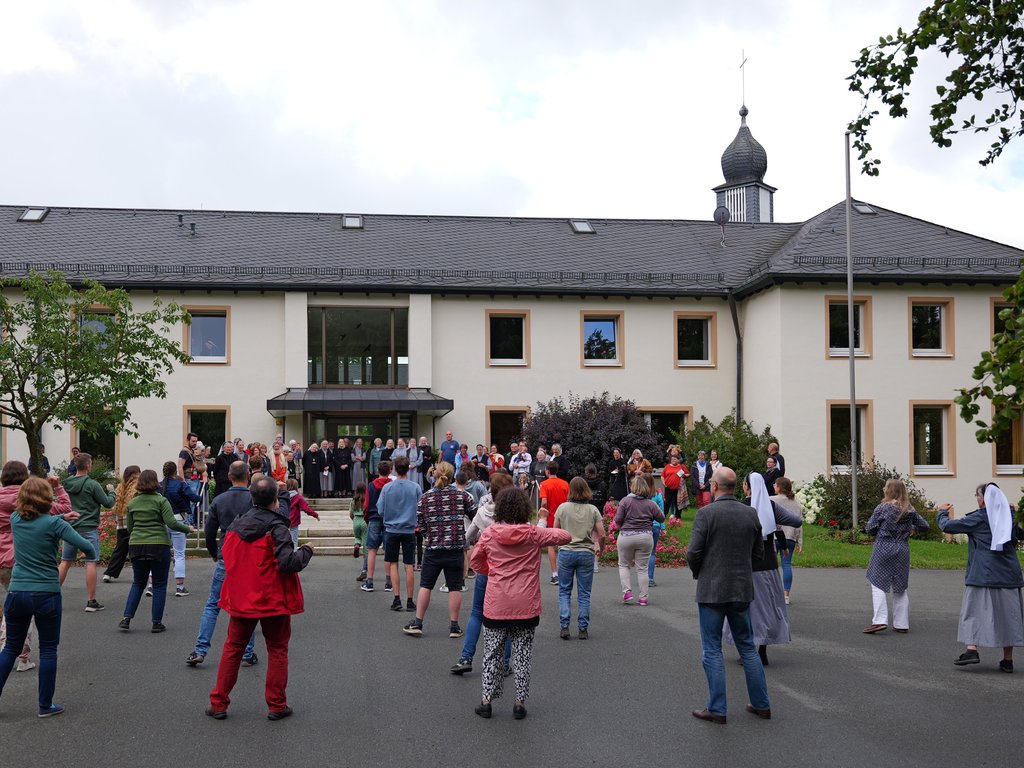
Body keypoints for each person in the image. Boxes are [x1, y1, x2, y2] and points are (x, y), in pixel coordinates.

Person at [207, 477, 315, 721]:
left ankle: (218, 702)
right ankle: (276, 704)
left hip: (242, 597)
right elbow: (288, 563)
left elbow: (226, 554)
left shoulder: (235, 526)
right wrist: (307, 550)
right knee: (277, 650)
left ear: (252, 498)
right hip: (272, 598)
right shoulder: (277, 528)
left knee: (233, 648)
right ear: (276, 500)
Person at [469, 487, 571, 720]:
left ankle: (486, 701)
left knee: (491, 653)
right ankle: (519, 703)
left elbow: (475, 561)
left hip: (497, 603)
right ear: (525, 509)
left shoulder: (490, 533)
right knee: (522, 654)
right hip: (526, 604)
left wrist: (492, 571)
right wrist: (542, 522)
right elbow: (565, 536)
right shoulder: (533, 534)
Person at [0, 476, 96, 718]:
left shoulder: (15, 519)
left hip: (17, 591)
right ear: (46, 499)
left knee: (10, 647)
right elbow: (88, 547)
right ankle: (45, 705)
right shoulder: (54, 524)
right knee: (49, 649)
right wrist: (65, 523)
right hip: (46, 593)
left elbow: (37, 522)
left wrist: (61, 519)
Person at [687, 467, 771, 724]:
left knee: (712, 648)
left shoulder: (706, 514)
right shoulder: (750, 514)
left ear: (714, 486)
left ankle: (717, 708)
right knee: (747, 646)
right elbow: (758, 553)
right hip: (741, 588)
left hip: (712, 589)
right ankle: (762, 704)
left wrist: (699, 572)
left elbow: (693, 552)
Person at [939, 483, 1024, 671]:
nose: (977, 499)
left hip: (982, 573)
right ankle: (1008, 660)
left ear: (983, 499)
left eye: (977, 496)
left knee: (973, 611)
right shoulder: (1008, 516)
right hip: (1009, 574)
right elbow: (1020, 535)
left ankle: (971, 649)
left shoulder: (978, 518)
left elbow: (948, 526)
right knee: (1008, 616)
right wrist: (1015, 514)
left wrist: (941, 512)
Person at [1, 462, 74, 674]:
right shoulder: (31, 499)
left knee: (11, 606)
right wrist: (58, 487)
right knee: (23, 608)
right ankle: (21, 656)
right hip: (21, 560)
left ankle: (9, 649)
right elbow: (66, 508)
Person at [723, 473, 802, 665]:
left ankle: (747, 650)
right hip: (768, 565)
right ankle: (762, 651)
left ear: (746, 487)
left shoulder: (740, 507)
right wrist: (772, 523)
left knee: (744, 608)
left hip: (745, 565)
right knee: (767, 608)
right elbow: (796, 521)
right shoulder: (771, 507)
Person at [187, 461, 258, 668]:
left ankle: (200, 649)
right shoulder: (254, 499)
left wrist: (214, 552)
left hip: (226, 553)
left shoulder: (219, 500)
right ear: (248, 476)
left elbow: (209, 532)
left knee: (213, 603)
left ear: (229, 476)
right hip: (248, 555)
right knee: (247, 604)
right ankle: (247, 652)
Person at [452, 472, 515, 675]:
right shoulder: (514, 515)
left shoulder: (482, 512)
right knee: (507, 617)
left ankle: (466, 657)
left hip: (487, 568)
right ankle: (504, 662)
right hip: (508, 571)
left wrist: (481, 536)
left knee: (477, 612)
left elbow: (468, 536)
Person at [403, 462, 472, 638]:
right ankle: (454, 627)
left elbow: (420, 523)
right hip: (455, 548)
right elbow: (475, 515)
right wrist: (465, 535)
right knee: (455, 587)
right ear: (452, 475)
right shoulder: (462, 495)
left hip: (433, 549)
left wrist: (430, 535)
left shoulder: (426, 497)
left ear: (434, 474)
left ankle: (418, 622)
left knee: (426, 585)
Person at [120, 469, 194, 632]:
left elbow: (130, 528)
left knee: (138, 583)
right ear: (155, 482)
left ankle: (126, 618)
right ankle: (156, 622)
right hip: (159, 545)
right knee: (159, 584)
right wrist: (187, 528)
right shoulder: (161, 501)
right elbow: (171, 523)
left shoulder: (132, 503)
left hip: (137, 545)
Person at [862, 479, 930, 634]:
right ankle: (901, 623)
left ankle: (879, 620)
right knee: (900, 586)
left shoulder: (882, 507)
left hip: (883, 547)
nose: (883, 489)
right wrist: (912, 528)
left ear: (889, 491)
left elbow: (870, 528)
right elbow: (925, 525)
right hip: (902, 549)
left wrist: (880, 530)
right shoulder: (909, 509)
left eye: (885, 487)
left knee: (877, 582)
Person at [58, 452, 116, 612]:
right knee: (91, 562)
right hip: (88, 528)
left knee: (65, 562)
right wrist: (112, 491)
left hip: (70, 527)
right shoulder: (92, 485)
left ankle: (50, 596)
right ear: (88, 466)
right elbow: (108, 503)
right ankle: (91, 601)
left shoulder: (65, 484)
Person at [554, 477, 604, 640]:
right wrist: (598, 546)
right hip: (586, 552)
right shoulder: (593, 509)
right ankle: (583, 628)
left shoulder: (562, 508)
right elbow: (601, 533)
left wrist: (559, 545)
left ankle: (564, 626)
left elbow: (555, 531)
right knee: (584, 593)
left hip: (566, 551)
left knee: (564, 590)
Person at [379, 456, 422, 613]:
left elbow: (380, 510)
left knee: (393, 564)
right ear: (408, 468)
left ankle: (396, 599)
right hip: (409, 529)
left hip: (392, 529)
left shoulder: (387, 488)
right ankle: (410, 601)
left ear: (395, 469)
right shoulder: (415, 487)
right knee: (409, 565)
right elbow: (421, 508)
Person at [613, 475, 664, 606]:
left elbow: (618, 520)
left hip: (626, 536)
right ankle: (643, 598)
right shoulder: (650, 503)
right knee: (642, 568)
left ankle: (627, 592)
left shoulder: (625, 501)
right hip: (645, 537)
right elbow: (661, 518)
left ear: (633, 487)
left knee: (624, 565)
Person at [159, 461, 202, 597]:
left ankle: (151, 586)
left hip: (162, 522)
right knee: (179, 554)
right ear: (175, 472)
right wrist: (200, 495)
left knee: (158, 554)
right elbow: (193, 497)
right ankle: (180, 587)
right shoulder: (180, 484)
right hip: (178, 520)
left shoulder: (159, 486)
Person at [102, 465, 141, 583]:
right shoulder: (137, 487)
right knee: (136, 551)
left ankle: (109, 573)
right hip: (133, 524)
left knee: (120, 550)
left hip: (121, 523)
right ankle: (139, 575)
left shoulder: (120, 487)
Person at [771, 477, 804, 605]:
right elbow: (799, 523)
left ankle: (772, 594)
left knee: (771, 567)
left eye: (775, 485)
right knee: (787, 565)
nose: (773, 486)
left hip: (774, 537)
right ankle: (786, 595)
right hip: (790, 537)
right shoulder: (796, 503)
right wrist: (800, 541)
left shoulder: (771, 500)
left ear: (779, 487)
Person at [360, 460, 392, 592]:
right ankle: (389, 582)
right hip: (388, 519)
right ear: (390, 471)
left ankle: (370, 581)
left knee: (372, 550)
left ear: (378, 471)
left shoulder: (371, 485)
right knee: (388, 551)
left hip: (374, 518)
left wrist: (366, 518)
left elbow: (366, 505)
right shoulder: (392, 485)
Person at [539, 463, 570, 585]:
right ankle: (565, 572)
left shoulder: (544, 484)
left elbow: (544, 502)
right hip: (564, 516)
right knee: (564, 544)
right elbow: (568, 500)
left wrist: (542, 512)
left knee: (551, 545)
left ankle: (555, 574)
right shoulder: (565, 484)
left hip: (551, 517)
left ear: (547, 471)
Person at [286, 479, 319, 548]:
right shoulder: (298, 497)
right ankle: (293, 553)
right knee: (294, 541)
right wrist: (315, 515)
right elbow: (306, 508)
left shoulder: (282, 496)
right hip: (294, 520)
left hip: (284, 519)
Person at [661, 454, 689, 519]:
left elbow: (688, 474)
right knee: (667, 502)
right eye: (672, 459)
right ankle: (664, 514)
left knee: (678, 503)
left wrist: (684, 475)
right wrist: (663, 483)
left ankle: (678, 516)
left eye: (674, 459)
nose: (673, 460)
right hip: (668, 488)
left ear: (678, 460)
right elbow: (662, 476)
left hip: (678, 489)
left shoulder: (681, 466)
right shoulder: (667, 466)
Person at [350, 482, 367, 563]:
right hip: (364, 521)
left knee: (357, 537)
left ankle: (357, 545)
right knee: (365, 540)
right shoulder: (366, 500)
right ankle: (366, 560)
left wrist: (354, 519)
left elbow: (351, 514)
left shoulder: (354, 500)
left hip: (356, 520)